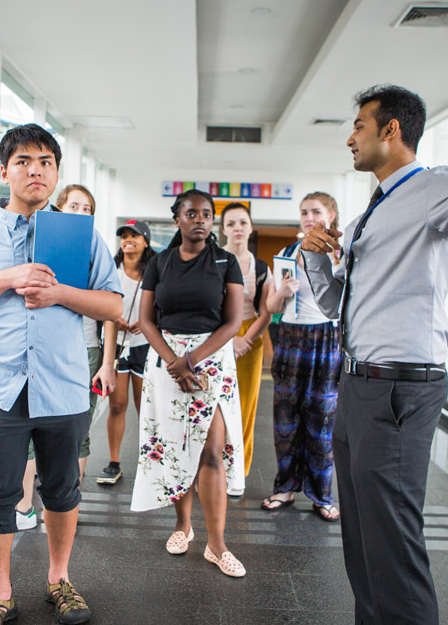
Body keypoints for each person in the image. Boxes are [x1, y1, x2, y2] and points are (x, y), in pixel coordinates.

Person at [302, 48, 448, 625]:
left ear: (391, 130)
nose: (350, 139)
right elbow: (336, 309)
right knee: (364, 551)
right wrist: (315, 258)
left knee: (394, 553)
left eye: (358, 126)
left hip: (399, 389)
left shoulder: (436, 187)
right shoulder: (367, 215)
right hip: (357, 385)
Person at [0, 124, 122, 625]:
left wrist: (60, 293)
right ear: (4, 172)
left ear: (57, 173)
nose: (35, 169)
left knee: (62, 488)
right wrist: (5, 279)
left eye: (45, 161)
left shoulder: (80, 234)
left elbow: (115, 305)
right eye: (23, 161)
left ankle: (59, 578)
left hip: (64, 383)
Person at [130, 189, 247, 578]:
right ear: (177, 218)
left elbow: (232, 323)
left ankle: (217, 545)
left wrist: (191, 361)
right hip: (166, 360)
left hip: (210, 360)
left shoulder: (225, 262)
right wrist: (173, 362)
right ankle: (183, 526)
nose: (200, 219)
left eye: (206, 214)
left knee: (212, 448)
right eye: (191, 213)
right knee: (177, 445)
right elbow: (147, 319)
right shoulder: (160, 262)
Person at [13, 184, 107, 531]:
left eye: (87, 209)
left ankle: (68, 502)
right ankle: (24, 505)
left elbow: (109, 310)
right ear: (58, 207)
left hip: (86, 350)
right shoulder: (38, 243)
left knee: (75, 429)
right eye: (74, 206)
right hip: (44, 348)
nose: (80, 214)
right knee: (31, 426)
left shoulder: (95, 247)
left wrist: (107, 361)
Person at [260, 192, 342, 522]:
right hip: (291, 337)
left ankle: (322, 495)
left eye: (316, 212)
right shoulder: (286, 255)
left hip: (327, 337)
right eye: (304, 212)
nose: (309, 218)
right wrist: (282, 292)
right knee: (285, 420)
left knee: (322, 421)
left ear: (331, 216)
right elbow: (271, 308)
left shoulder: (341, 254)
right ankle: (285, 487)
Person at [94, 218, 156, 485]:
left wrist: (147, 320)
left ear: (145, 241)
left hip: (145, 345)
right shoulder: (111, 268)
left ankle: (149, 460)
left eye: (135, 236)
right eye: (124, 236)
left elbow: (162, 302)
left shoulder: (154, 270)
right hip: (116, 345)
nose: (128, 240)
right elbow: (98, 302)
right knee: (117, 405)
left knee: (146, 407)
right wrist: (113, 316)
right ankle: (114, 461)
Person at [219, 202, 271, 495]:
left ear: (251, 228)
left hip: (250, 338)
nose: (237, 228)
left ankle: (238, 471)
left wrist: (245, 339)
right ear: (223, 229)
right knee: (214, 407)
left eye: (243, 223)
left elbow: (266, 312)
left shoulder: (261, 268)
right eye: (231, 223)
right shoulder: (214, 260)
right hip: (217, 337)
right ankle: (212, 469)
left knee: (244, 408)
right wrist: (228, 339)